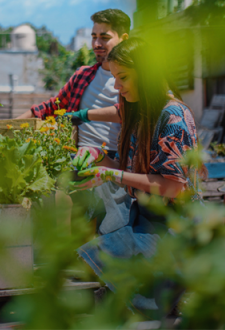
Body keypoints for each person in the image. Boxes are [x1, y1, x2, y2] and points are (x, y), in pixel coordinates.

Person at [75, 37, 205, 312]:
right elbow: (128, 168)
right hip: (145, 216)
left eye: (123, 77)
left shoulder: (173, 117)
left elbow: (172, 188)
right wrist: (98, 156)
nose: (116, 86)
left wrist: (110, 175)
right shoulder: (138, 112)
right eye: (114, 77)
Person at [16, 8, 130, 158]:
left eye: (104, 37)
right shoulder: (83, 75)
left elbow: (128, 111)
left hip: (118, 160)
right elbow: (51, 107)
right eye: (94, 37)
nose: (96, 44)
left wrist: (82, 115)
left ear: (124, 39)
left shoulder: (132, 78)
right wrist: (8, 126)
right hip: (77, 157)